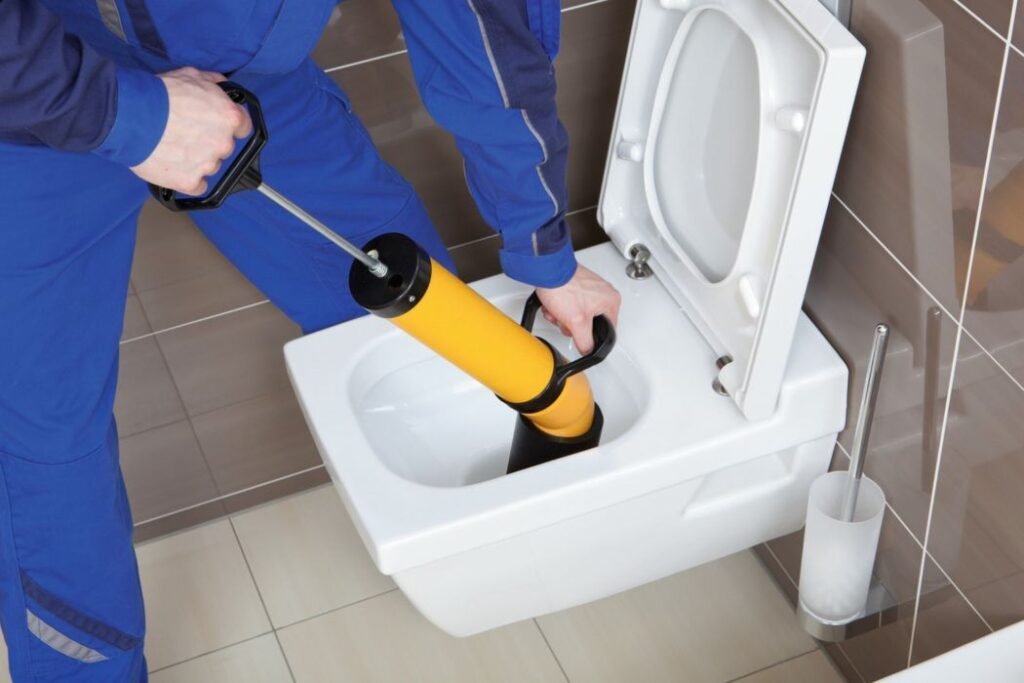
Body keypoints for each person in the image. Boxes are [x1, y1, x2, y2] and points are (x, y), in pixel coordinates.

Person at [0, 1, 621, 680]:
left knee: (414, 315)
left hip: (235, 71)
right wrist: (126, 114)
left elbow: (474, 20)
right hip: (29, 106)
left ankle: (486, 547)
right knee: (45, 450)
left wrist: (543, 248)